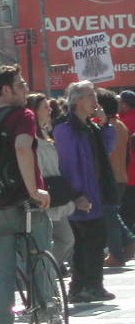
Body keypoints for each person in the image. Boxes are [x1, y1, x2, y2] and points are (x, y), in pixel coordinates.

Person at [0, 65, 51, 324]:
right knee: (39, 268)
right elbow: (22, 149)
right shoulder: (23, 115)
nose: (26, 88)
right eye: (21, 84)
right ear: (6, 90)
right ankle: (45, 316)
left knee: (1, 278)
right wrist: (34, 190)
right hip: (23, 204)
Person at [54, 81, 118, 303]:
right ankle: (86, 286)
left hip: (94, 194)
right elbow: (68, 166)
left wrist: (107, 123)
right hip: (81, 197)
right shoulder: (66, 129)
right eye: (91, 96)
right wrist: (76, 195)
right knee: (86, 243)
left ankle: (85, 286)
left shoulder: (92, 127)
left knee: (93, 242)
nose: (95, 101)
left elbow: (107, 149)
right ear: (78, 100)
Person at [26, 94, 76, 272]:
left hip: (55, 194)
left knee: (66, 239)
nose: (50, 109)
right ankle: (40, 276)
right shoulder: (30, 138)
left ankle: (43, 274)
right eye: (45, 107)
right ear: (34, 111)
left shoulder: (45, 133)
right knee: (58, 240)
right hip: (43, 195)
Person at [97, 88, 135, 266]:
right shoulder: (121, 125)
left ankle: (116, 252)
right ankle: (127, 241)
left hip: (111, 177)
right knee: (112, 213)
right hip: (121, 176)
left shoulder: (109, 127)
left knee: (110, 215)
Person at [119, 90, 135, 231]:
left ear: (124, 104)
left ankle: (129, 245)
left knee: (127, 214)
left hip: (129, 175)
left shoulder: (124, 123)